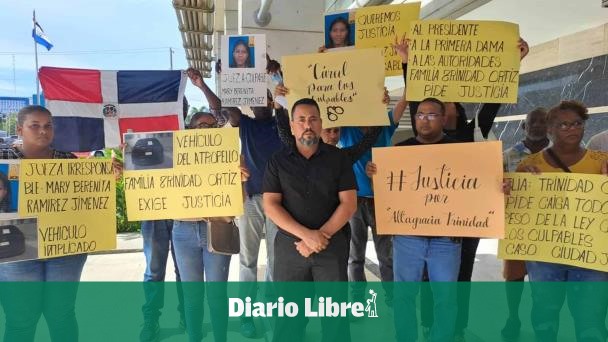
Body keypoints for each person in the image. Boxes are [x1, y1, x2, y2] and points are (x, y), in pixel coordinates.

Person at [398, 35, 530, 339]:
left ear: (454, 113)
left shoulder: (472, 134)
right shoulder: (421, 140)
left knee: (461, 276)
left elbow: (490, 106)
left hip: (463, 224)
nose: (440, 113)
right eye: (431, 112)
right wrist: (407, 62)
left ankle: (456, 328)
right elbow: (418, 100)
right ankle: (432, 324)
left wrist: (514, 62)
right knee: (431, 279)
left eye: (446, 108)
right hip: (426, 223)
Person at [188, 67, 282, 338]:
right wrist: (207, 84)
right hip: (250, 200)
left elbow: (291, 102)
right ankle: (247, 317)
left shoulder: (283, 124)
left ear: (272, 102)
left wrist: (278, 78)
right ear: (251, 104)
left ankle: (272, 312)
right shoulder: (246, 125)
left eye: (265, 98)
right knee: (247, 261)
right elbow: (222, 107)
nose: (260, 102)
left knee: (276, 262)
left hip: (279, 202)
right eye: (256, 99)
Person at [366, 98, 462, 342]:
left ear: (443, 119)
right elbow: (388, 191)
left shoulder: (461, 152)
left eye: (431, 115)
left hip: (446, 240)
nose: (424, 119)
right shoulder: (399, 151)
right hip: (408, 239)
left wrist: (498, 186)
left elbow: (475, 190)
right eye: (420, 114)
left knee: (446, 299)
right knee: (403, 297)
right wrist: (375, 174)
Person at [263, 97, 357, 342]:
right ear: (292, 126)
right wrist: (307, 236)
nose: (308, 125)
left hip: (331, 249)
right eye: (301, 120)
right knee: (288, 319)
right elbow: (270, 205)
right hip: (290, 250)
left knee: (335, 318)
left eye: (313, 119)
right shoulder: (277, 161)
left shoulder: (339, 159)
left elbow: (349, 204)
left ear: (321, 123)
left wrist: (319, 237)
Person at [516, 100, 608, 342]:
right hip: (545, 257)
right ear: (550, 129)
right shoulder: (529, 165)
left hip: (590, 257)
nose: (571, 129)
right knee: (545, 317)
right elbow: (515, 208)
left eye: (577, 123)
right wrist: (514, 186)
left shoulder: (602, 162)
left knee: (591, 320)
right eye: (563, 124)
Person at [0, 105, 88, 342]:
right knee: (20, 321)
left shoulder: (67, 160)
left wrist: (108, 178)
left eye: (48, 125)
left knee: (61, 316)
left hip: (64, 248)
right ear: (20, 129)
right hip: (16, 249)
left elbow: (88, 200)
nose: (43, 131)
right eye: (35, 126)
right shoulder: (4, 158)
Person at [171, 111, 249, 342]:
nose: (205, 128)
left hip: (217, 228)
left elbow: (240, 202)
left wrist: (242, 180)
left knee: (217, 295)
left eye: (210, 124)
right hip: (183, 230)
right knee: (192, 296)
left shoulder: (231, 157)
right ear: (190, 130)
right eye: (199, 124)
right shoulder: (176, 158)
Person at [139, 97, 194, 342]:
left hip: (185, 211)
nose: (173, 112)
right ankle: (150, 321)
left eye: (179, 108)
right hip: (154, 211)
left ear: (184, 111)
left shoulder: (193, 138)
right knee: (154, 269)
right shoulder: (143, 136)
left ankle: (187, 316)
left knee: (185, 270)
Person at [501, 107, 549, 340]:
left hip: (551, 228)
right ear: (524, 126)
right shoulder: (508, 155)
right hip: (518, 224)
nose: (538, 125)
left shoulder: (560, 153)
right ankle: (513, 317)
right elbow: (494, 186)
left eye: (543, 121)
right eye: (533, 121)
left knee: (545, 280)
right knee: (514, 277)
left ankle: (543, 321)